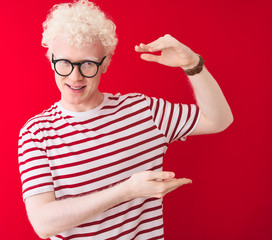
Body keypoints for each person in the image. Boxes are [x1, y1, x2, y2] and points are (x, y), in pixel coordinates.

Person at [18, 0, 233, 239]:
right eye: (64, 63)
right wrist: (127, 190)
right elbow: (43, 223)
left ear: (106, 62)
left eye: (88, 63)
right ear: (51, 59)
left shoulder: (142, 111)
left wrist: (192, 64)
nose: (75, 76)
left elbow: (218, 120)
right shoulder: (37, 132)